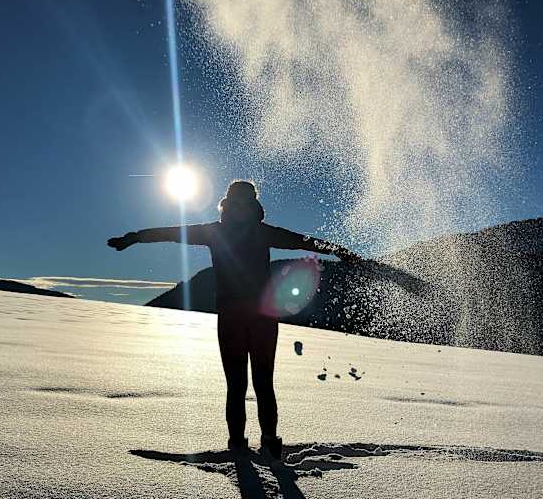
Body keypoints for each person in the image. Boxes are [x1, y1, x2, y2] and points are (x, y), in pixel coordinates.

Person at [107, 180, 361, 460]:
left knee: (259, 383)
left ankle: (264, 443)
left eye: (243, 203)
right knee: (240, 385)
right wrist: (135, 237)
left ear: (249, 205)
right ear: (230, 205)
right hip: (241, 318)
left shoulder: (230, 232)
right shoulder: (233, 232)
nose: (240, 208)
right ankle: (241, 444)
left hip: (252, 318)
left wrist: (337, 249)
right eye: (236, 202)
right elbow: (172, 233)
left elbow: (302, 240)